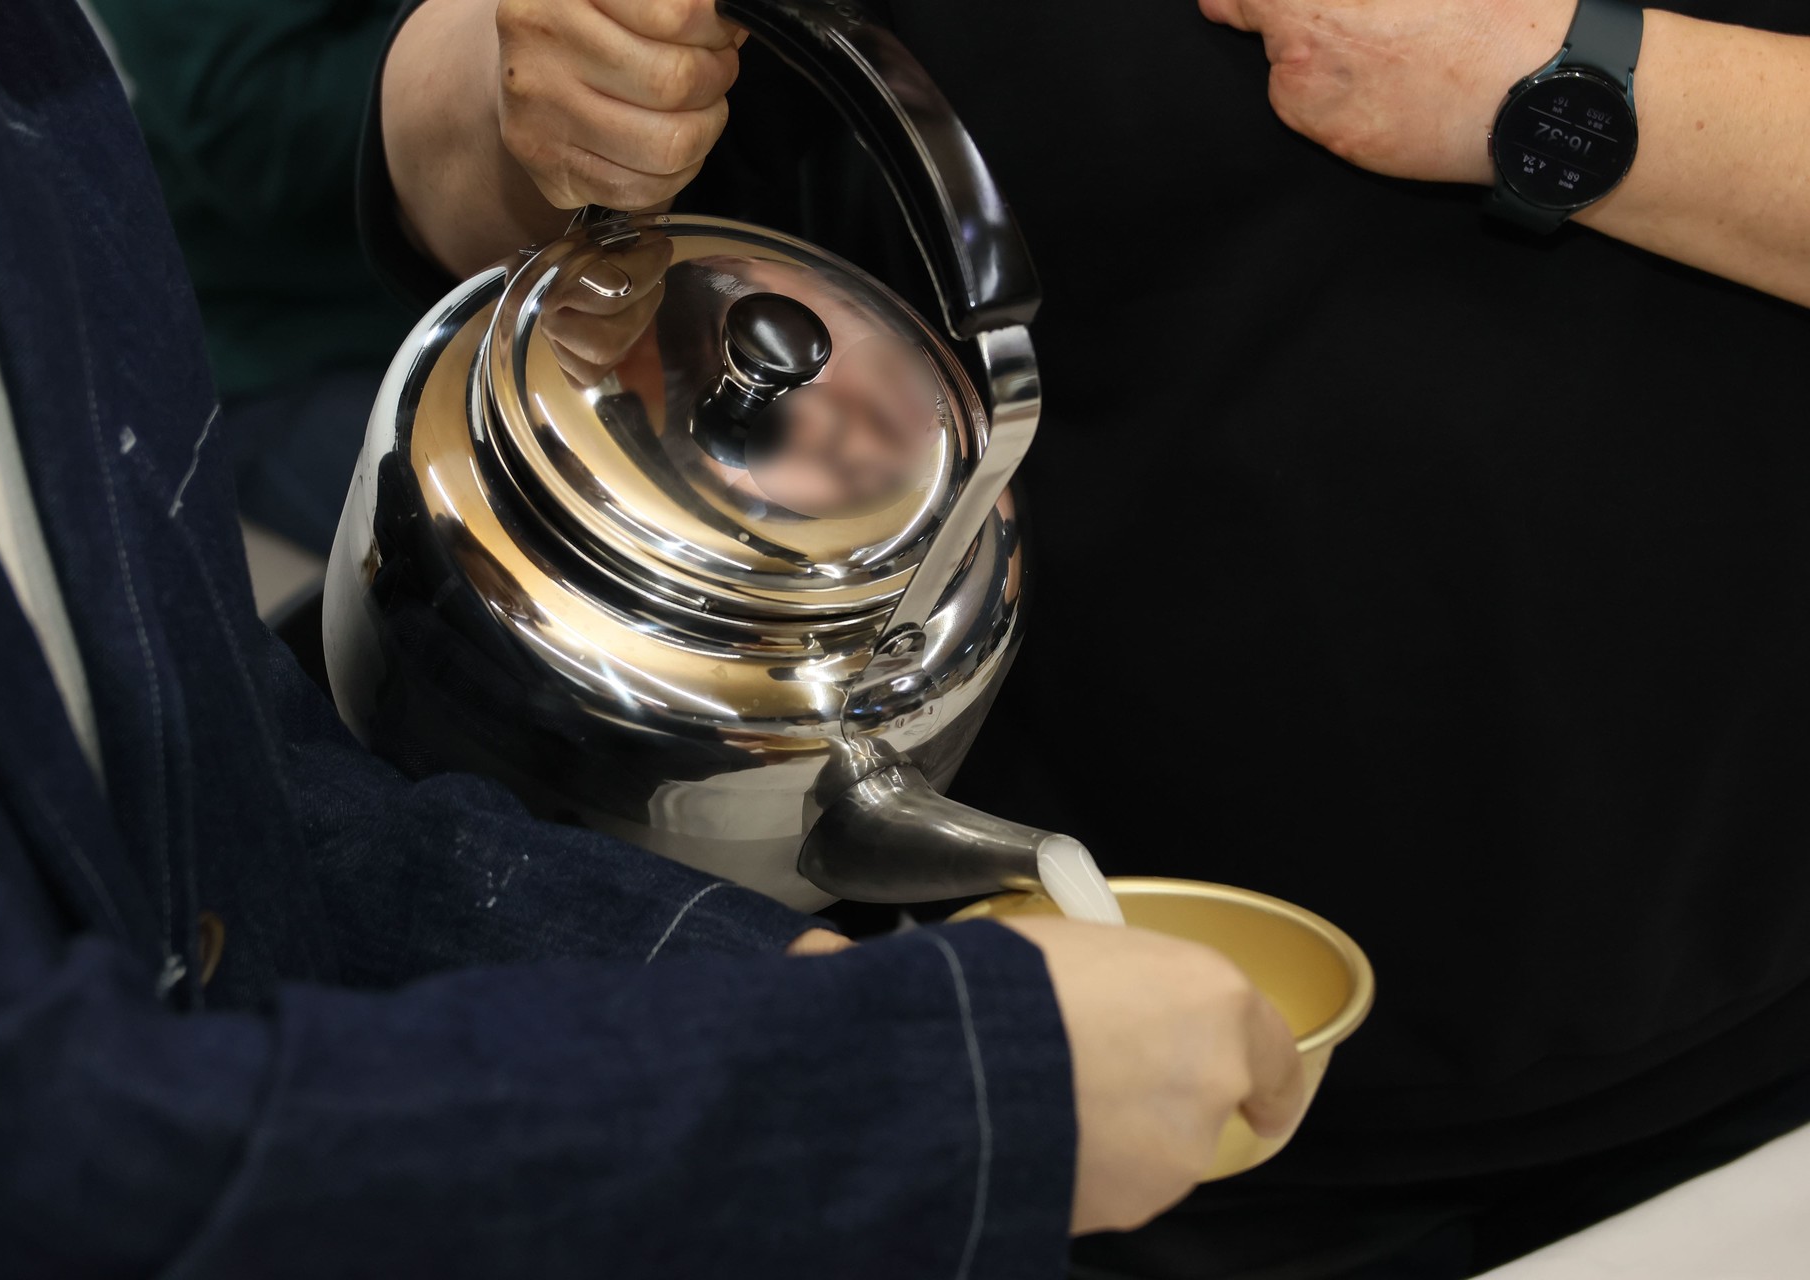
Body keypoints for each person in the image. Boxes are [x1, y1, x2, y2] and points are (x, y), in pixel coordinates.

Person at [372, 0, 1810, 1276]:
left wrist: (1558, 80)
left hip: (1752, 1024)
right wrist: (547, 92)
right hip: (1094, 1056)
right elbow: (435, 162)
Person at [0, 1, 1311, 1275]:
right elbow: (14, 1166)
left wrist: (770, 982)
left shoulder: (1, 66)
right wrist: (929, 1079)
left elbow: (203, 788)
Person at [82, 0, 418, 554]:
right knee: (495, 556)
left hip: (456, 299)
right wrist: (478, 41)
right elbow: (258, 131)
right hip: (280, 348)